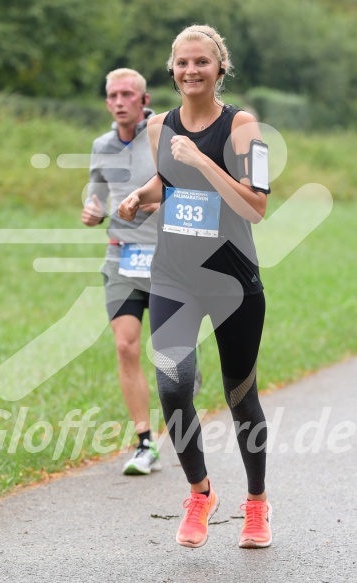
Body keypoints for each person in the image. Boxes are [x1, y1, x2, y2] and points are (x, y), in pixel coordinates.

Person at [118, 26, 272, 548]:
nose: (190, 71)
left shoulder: (244, 127)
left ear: (219, 69)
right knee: (173, 386)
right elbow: (168, 180)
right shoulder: (159, 127)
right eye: (182, 62)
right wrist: (141, 196)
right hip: (175, 277)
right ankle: (200, 492)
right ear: (172, 67)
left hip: (232, 280)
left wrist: (203, 160)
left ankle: (256, 505)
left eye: (201, 62)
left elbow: (256, 205)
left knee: (240, 396)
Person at [81, 68, 202, 476]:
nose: (118, 101)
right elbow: (96, 195)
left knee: (173, 364)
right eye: (112, 95)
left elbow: (189, 190)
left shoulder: (162, 134)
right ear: (106, 102)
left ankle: (187, 376)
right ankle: (145, 443)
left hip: (169, 259)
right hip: (121, 259)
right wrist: (92, 211)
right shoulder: (101, 145)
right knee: (125, 346)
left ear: (143, 98)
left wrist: (159, 205)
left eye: (126, 94)